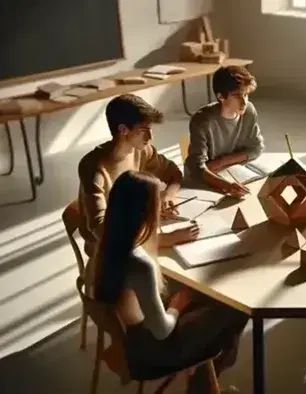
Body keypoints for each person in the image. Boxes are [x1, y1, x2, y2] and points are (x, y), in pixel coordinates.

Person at [93, 170, 248, 391]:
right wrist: (177, 306)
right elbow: (162, 331)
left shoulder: (108, 244)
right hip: (152, 351)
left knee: (207, 302)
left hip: (131, 337)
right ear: (144, 212)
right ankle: (203, 386)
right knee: (236, 309)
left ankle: (203, 381)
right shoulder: (140, 265)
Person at [78, 94, 199, 290]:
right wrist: (167, 239)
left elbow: (174, 174)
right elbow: (104, 233)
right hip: (110, 252)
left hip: (138, 231)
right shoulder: (94, 167)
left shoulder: (143, 150)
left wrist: (167, 197)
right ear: (123, 130)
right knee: (186, 285)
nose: (150, 138)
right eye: (144, 131)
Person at [185, 65, 264, 197]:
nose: (244, 101)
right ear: (221, 96)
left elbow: (256, 148)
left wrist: (222, 161)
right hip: (204, 180)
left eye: (246, 94)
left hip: (231, 170)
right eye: (237, 95)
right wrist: (227, 186)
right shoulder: (202, 120)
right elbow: (198, 168)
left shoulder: (249, 111)